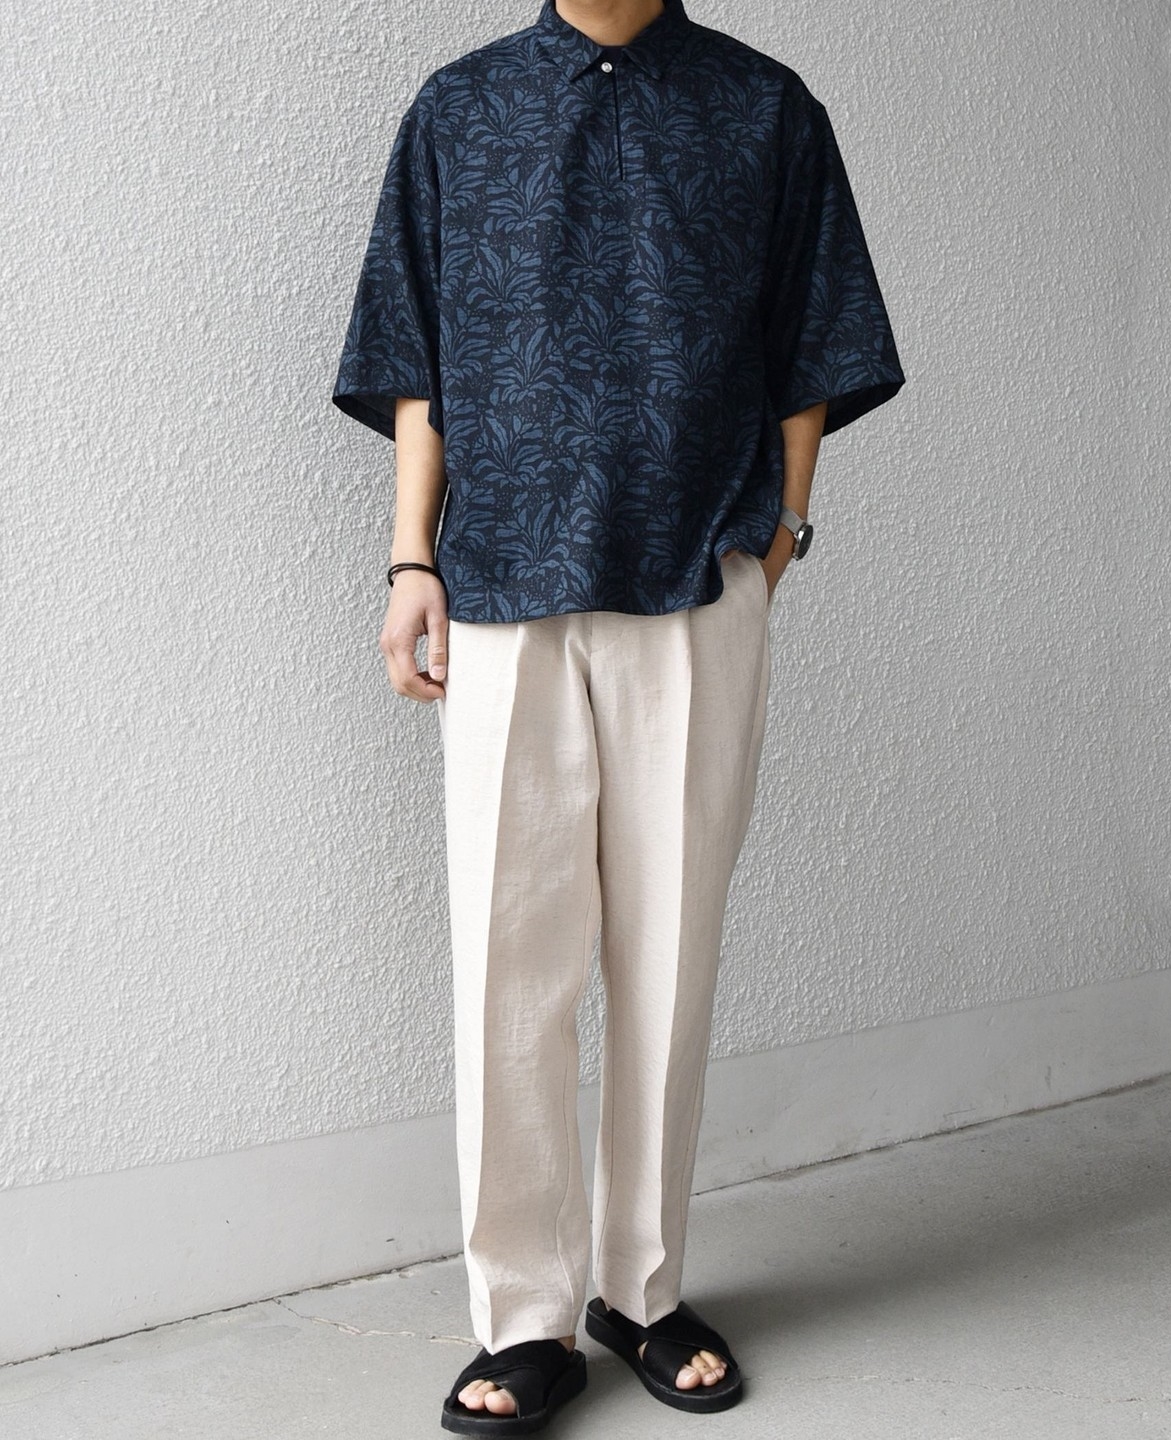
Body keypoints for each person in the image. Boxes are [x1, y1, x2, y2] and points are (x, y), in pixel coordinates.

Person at [332, 0, 904, 1430]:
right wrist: (409, 559)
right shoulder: (459, 109)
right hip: (499, 586)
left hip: (697, 582)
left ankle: (643, 1289)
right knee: (506, 963)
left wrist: (782, 533)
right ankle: (521, 1321)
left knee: (670, 953)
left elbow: (813, 339)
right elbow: (417, 358)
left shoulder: (766, 109)